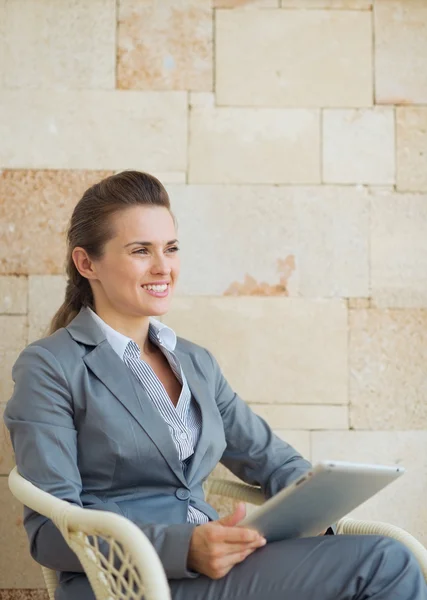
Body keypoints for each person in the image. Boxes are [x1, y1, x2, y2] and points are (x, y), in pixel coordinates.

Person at [4, 171, 426, 600]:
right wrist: (185, 548)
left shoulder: (194, 361)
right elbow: (50, 532)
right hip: (126, 583)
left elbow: (274, 461)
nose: (163, 266)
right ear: (86, 263)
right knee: (383, 563)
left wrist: (314, 511)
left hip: (219, 569)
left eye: (170, 248)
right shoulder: (50, 366)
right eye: (140, 251)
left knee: (380, 557)